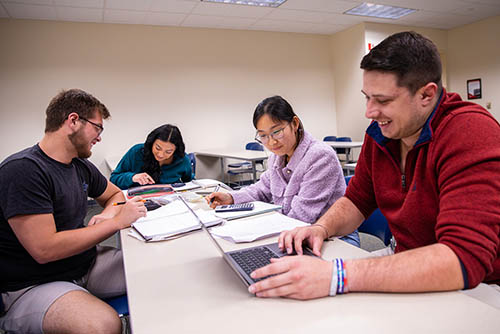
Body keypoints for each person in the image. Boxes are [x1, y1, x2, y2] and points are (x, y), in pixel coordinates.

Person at [247, 31, 500, 300]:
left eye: (383, 100)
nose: (369, 111)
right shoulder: (380, 134)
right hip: (405, 258)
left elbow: (462, 258)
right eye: (367, 97)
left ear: (426, 94)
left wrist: (338, 275)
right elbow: (356, 200)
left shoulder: (471, 132)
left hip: (476, 283)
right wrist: (320, 228)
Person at [0, 89, 147, 334]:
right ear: (73, 121)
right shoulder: (24, 171)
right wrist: (113, 223)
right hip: (33, 283)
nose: (99, 137)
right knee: (103, 325)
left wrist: (108, 214)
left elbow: (115, 195)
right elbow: (45, 249)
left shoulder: (79, 166)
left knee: (157, 270)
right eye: (97, 128)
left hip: (83, 265)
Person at [207, 95, 360, 247]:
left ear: (294, 123)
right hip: (294, 232)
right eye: (263, 136)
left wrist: (259, 229)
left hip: (335, 239)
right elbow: (262, 188)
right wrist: (231, 198)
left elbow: (303, 215)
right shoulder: (277, 157)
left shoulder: (320, 156)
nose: (272, 142)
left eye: (277, 131)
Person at [110, 124, 192, 190]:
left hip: (171, 202)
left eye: (168, 152)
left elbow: (190, 182)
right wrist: (132, 177)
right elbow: (113, 179)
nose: (161, 154)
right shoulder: (137, 152)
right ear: (151, 143)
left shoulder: (182, 159)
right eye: (157, 148)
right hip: (138, 201)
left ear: (175, 150)